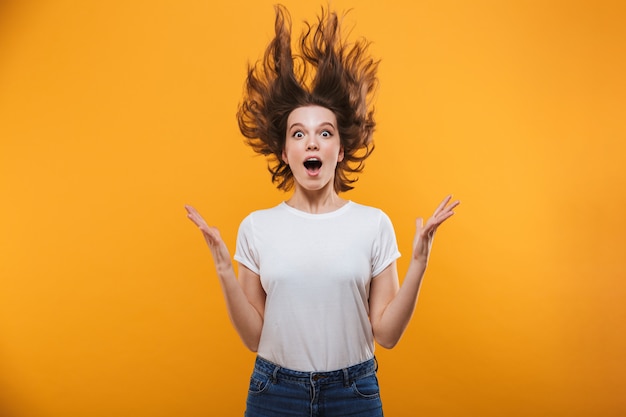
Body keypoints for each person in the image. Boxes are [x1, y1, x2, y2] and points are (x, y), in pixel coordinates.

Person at [185, 5, 459, 416]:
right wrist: (225, 270)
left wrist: (419, 262)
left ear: (339, 151)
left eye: (324, 133)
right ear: (285, 151)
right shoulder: (257, 228)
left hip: (355, 392)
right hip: (275, 392)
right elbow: (254, 337)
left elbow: (386, 334)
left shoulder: (373, 224)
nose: (312, 142)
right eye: (299, 134)